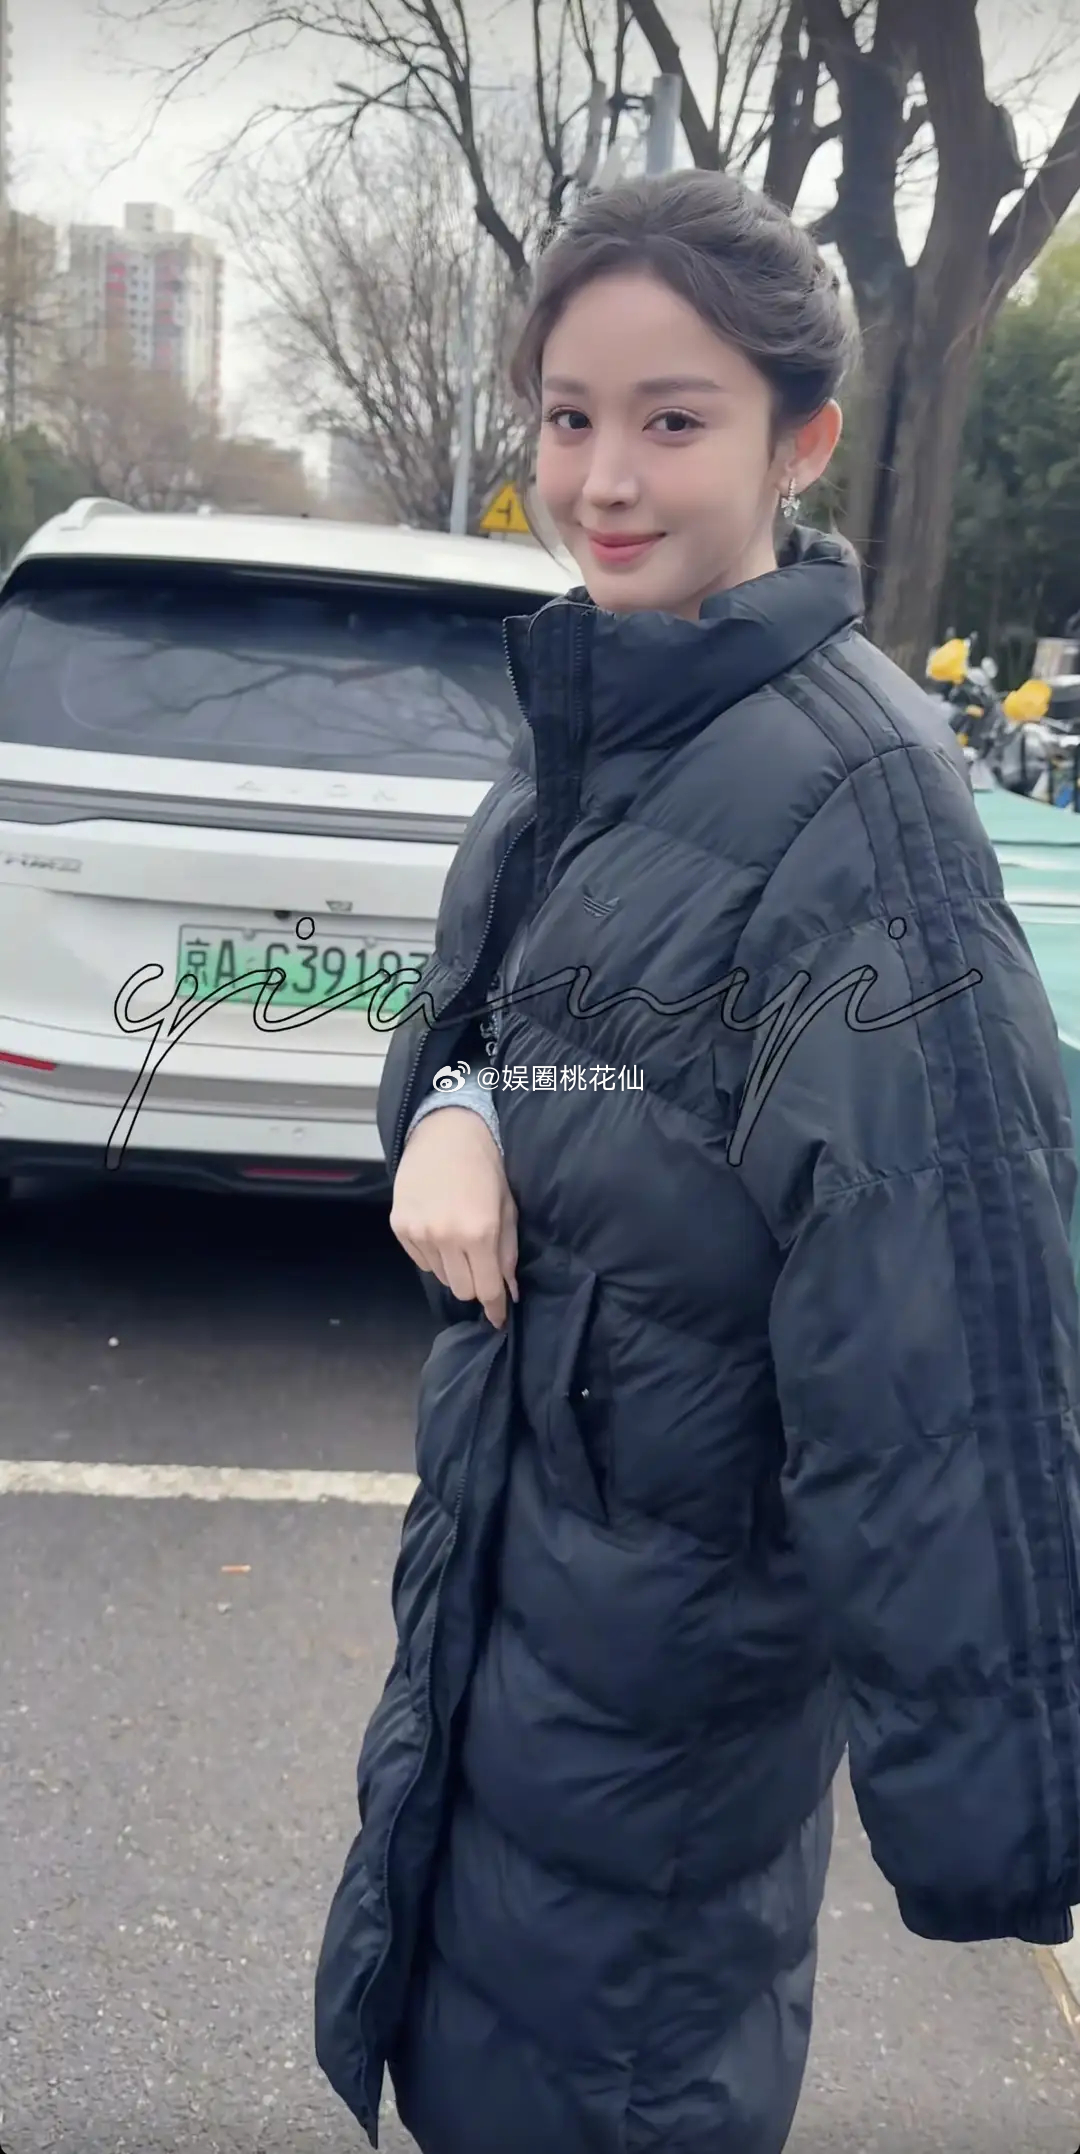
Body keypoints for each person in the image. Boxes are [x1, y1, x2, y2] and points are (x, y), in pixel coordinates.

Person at [314, 168, 1080, 2154]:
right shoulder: (594, 721)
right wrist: (461, 1110)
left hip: (668, 1683)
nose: (604, 477)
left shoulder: (857, 805)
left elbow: (946, 1299)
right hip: (511, 1592)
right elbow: (483, 1027)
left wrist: (1005, 1795)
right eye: (570, 416)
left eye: (674, 419)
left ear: (796, 440)